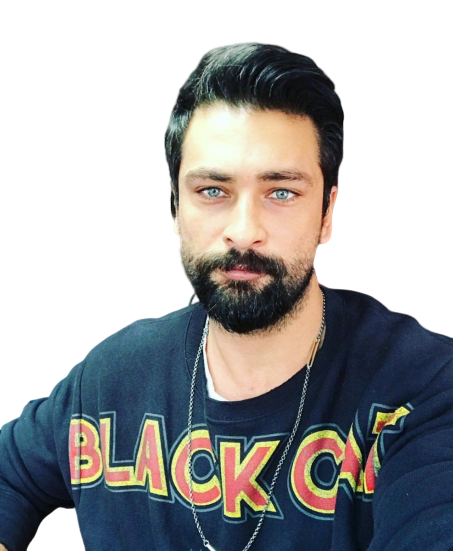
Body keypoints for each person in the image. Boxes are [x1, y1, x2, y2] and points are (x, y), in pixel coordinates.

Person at [0, 41, 452, 551]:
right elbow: (9, 477)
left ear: (328, 213)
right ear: (175, 209)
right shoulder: (111, 377)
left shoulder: (424, 386)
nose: (244, 231)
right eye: (213, 191)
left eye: (281, 192)